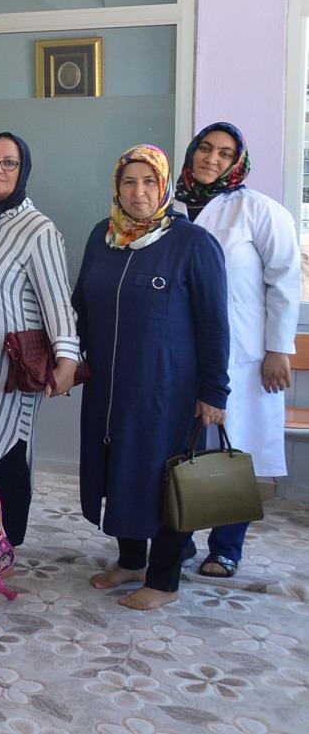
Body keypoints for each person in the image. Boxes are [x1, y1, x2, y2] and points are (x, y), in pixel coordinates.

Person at [74, 144, 229, 611]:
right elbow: (81, 304)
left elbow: (214, 323)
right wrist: (66, 355)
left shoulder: (192, 243)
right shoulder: (104, 236)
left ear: (164, 187)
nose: (138, 192)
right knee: (118, 468)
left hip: (167, 391)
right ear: (116, 187)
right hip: (109, 387)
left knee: (164, 479)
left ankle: (163, 579)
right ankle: (130, 561)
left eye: (148, 182)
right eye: (129, 182)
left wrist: (214, 391)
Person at [173, 122, 297, 578]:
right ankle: (178, 539)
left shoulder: (258, 209)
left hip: (242, 353)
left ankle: (226, 546)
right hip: (178, 350)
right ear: (192, 152)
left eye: (224, 154)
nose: (211, 159)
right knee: (180, 446)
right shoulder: (170, 207)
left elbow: (284, 280)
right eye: (205, 148)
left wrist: (278, 349)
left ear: (237, 162)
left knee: (235, 448)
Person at [0, 133, 79, 548]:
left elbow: (56, 298)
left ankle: (6, 544)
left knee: (7, 448)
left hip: (9, 369)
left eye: (9, 163)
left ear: (23, 171)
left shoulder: (38, 229)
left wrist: (67, 358)